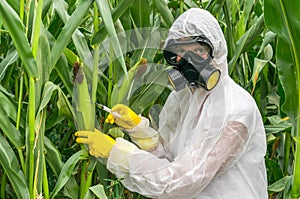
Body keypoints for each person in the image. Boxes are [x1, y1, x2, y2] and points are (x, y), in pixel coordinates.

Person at [75, 8, 268, 199]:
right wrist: (139, 130)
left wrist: (116, 154)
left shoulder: (235, 111)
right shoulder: (184, 96)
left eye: (199, 50)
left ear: (216, 52)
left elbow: (180, 183)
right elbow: (169, 157)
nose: (188, 61)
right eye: (181, 51)